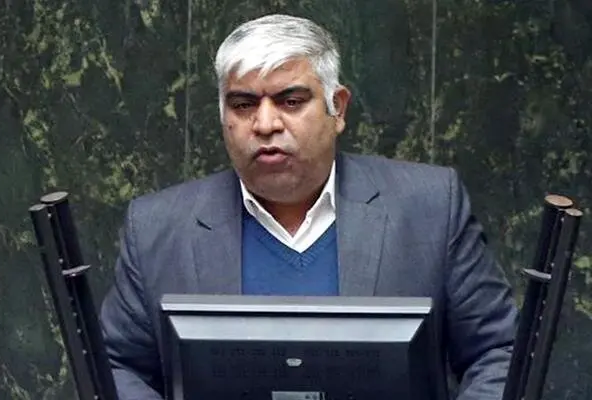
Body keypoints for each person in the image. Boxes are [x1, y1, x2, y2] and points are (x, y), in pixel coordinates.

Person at [100, 13, 518, 400]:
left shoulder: (429, 207)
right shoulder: (158, 227)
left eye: (291, 101)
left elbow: (499, 350)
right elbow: (116, 365)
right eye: (243, 105)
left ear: (338, 108)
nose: (265, 124)